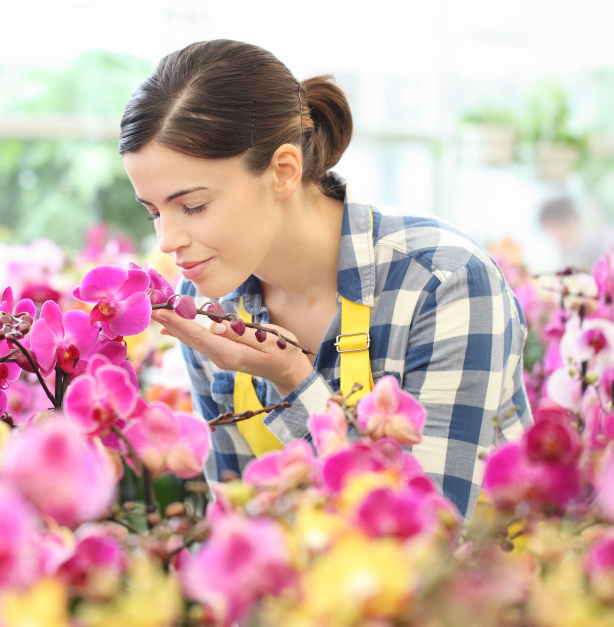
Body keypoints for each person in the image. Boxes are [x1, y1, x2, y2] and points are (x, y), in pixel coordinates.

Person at [122, 40, 532, 517]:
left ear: (282, 171)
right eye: (153, 211)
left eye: (193, 206)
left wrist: (289, 378)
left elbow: (426, 532)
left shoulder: (445, 283)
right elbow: (239, 517)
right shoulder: (207, 300)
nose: (168, 240)